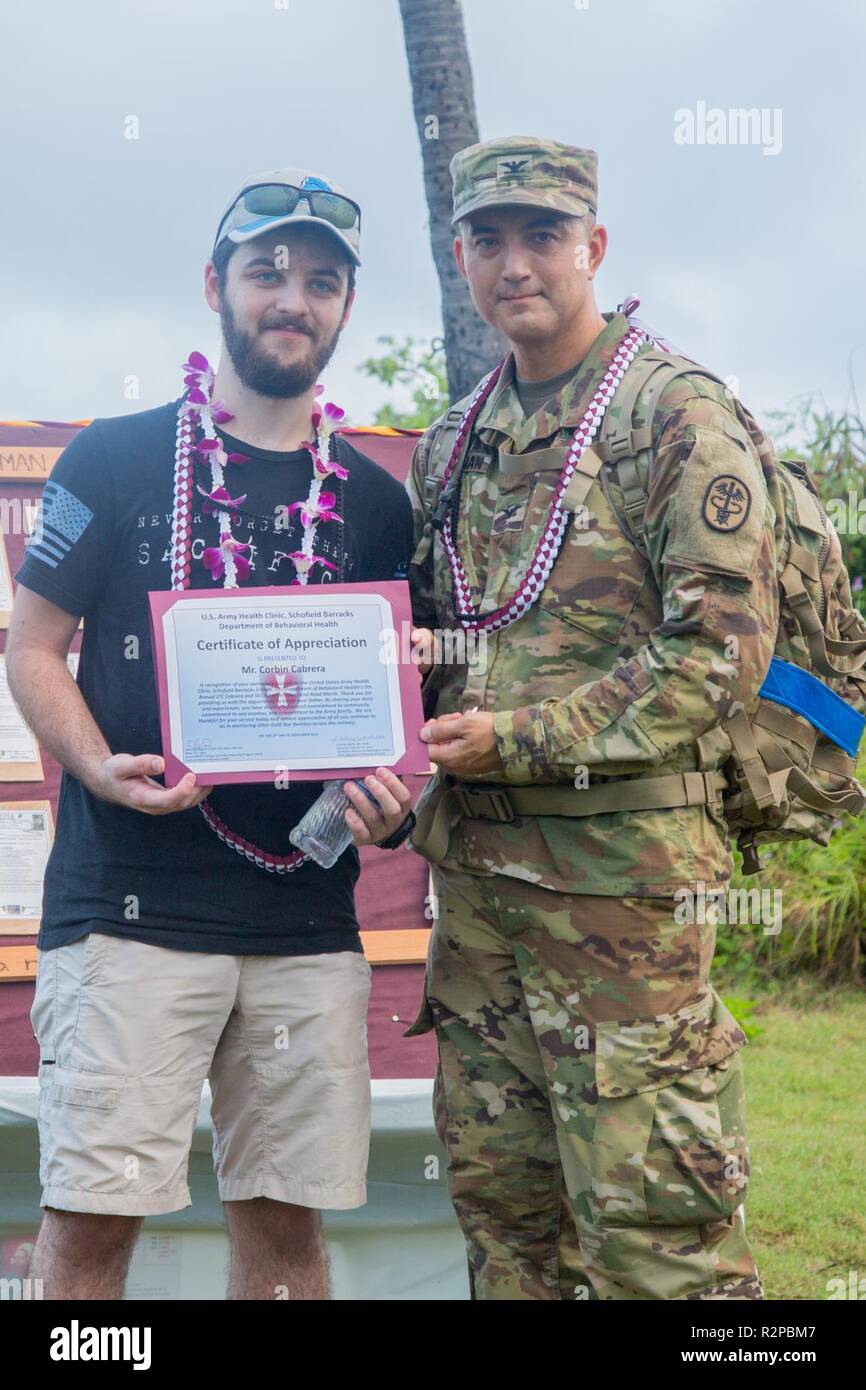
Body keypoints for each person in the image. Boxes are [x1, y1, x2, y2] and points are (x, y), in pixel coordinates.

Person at [6, 167, 416, 1300]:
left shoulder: (378, 505)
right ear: (214, 286)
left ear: (343, 309)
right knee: (89, 1235)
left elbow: (393, 710)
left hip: (302, 921)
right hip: (129, 911)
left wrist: (392, 799)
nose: (294, 297)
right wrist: (95, 762)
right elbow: (32, 645)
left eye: (322, 281)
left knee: (286, 1244)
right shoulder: (114, 458)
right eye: (268, 271)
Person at [404, 136, 776, 1300]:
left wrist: (521, 737)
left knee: (657, 1245)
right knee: (508, 1237)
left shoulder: (675, 415)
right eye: (488, 239)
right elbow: (464, 637)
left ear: (593, 247)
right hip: (478, 908)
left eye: (542, 235)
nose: (515, 263)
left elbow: (719, 650)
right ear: (460, 254)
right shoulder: (451, 444)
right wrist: (384, 728)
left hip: (622, 902)